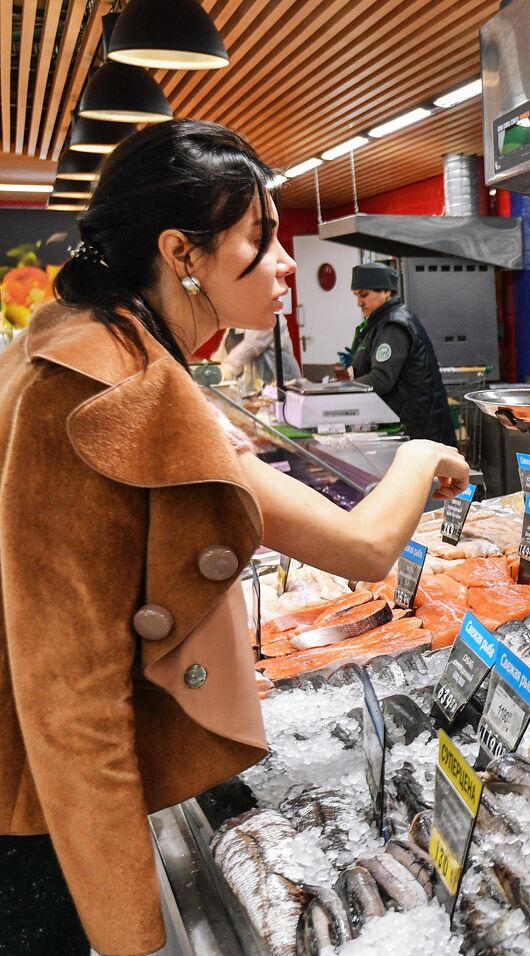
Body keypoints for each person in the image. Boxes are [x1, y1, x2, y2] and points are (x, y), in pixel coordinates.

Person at [0, 120, 470, 955]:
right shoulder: (87, 389)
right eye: (262, 237)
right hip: (37, 820)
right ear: (183, 254)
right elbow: (69, 701)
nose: (289, 262)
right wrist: (131, 935)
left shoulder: (103, 344)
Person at [347, 262, 456, 445]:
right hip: (412, 428)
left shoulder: (394, 326)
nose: (359, 302)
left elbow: (381, 379)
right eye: (356, 296)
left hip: (418, 431)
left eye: (364, 295)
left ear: (386, 292)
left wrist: (343, 390)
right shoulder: (381, 322)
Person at [216, 312, 301, 390]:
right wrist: (212, 367)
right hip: (256, 386)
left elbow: (250, 347)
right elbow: (222, 351)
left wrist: (224, 372)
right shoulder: (236, 322)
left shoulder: (269, 316)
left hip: (280, 383)